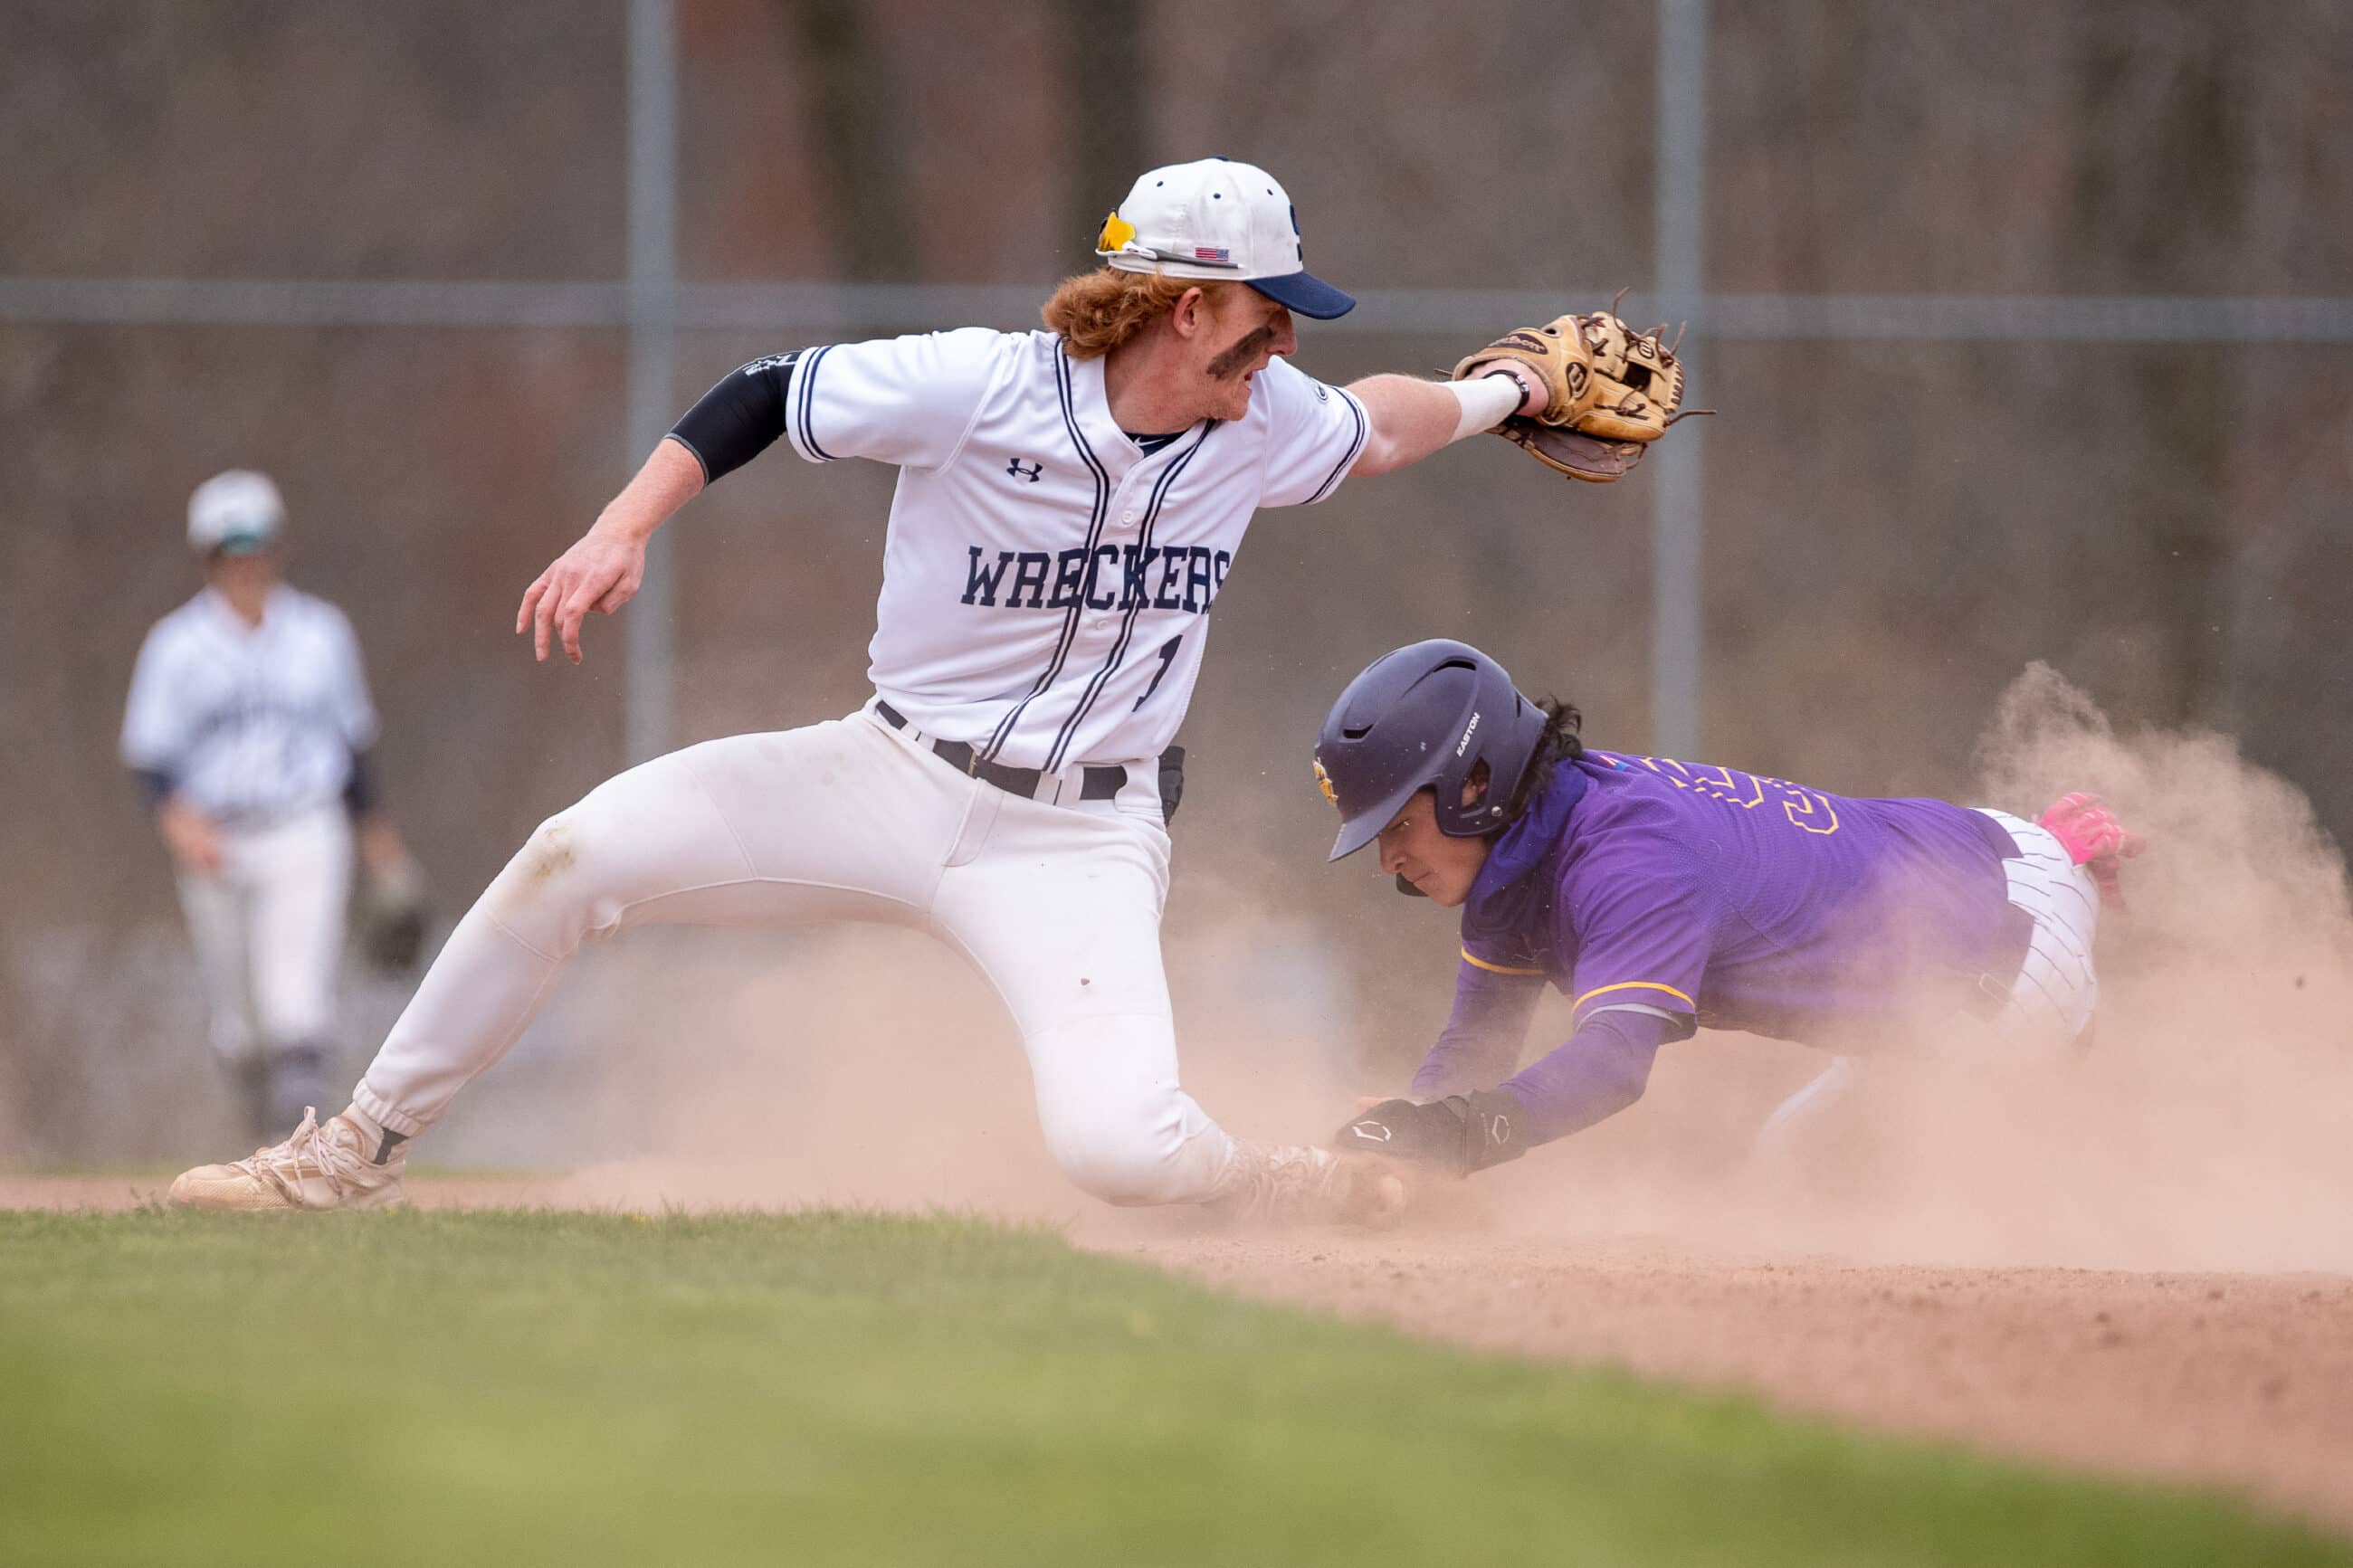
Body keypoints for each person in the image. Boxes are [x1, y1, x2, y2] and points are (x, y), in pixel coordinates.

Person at [165, 158, 1603, 1217]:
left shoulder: (1261, 420)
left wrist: (1514, 392)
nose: (1284, 343)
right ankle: (347, 1148)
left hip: (1081, 837)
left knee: (1119, 1146)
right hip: (886, 774)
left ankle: (1295, 1188)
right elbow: (760, 395)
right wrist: (621, 528)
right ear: (1181, 305)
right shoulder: (979, 385)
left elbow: (1382, 427)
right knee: (572, 856)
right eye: (1265, 314)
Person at [1308, 639, 2142, 1182]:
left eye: (1399, 823)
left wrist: (1451, 1139)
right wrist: (1417, 1134)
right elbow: (1477, 1044)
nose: (1387, 858)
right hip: (1985, 870)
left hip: (2008, 961)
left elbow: (1613, 1066)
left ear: (1475, 783)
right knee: (1785, 1163)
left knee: (1825, 1191)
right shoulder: (1530, 839)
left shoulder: (1626, 856)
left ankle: (2089, 1107)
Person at [122, 470, 424, 1138]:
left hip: (304, 825)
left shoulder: (321, 633)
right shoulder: (176, 645)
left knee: (298, 997)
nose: (246, 562)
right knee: (240, 1022)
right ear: (207, 556)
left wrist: (382, 849)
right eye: (231, 548)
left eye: (256, 545)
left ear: (277, 547)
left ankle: (296, 1142)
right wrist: (178, 823)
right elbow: (149, 757)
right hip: (215, 836)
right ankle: (260, 1131)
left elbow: (353, 751)